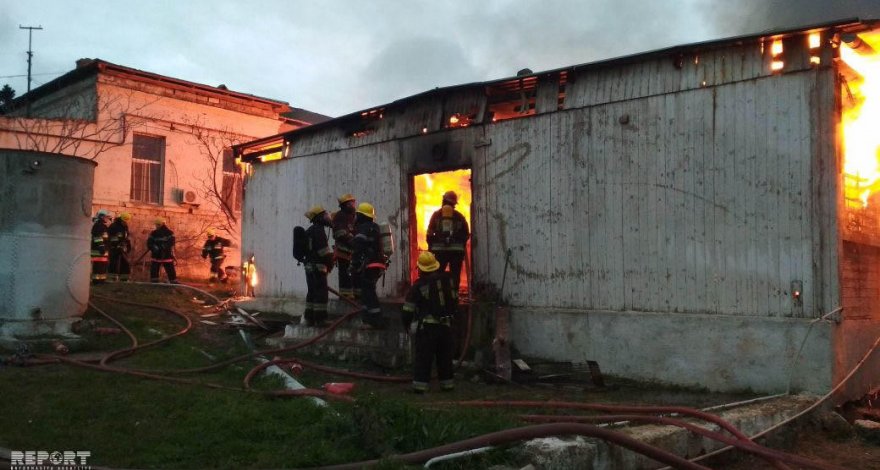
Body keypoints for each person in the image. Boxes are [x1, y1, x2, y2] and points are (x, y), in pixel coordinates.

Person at [402, 251, 459, 393]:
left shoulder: (419, 285)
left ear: (420, 269)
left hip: (427, 329)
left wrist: (406, 324)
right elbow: (454, 301)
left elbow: (408, 309)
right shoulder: (447, 280)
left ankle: (420, 388)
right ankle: (448, 386)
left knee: (423, 358)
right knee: (445, 358)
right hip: (446, 326)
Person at [350, 202, 387, 329]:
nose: (356, 217)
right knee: (366, 292)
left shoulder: (363, 228)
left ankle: (376, 321)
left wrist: (354, 264)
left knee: (368, 292)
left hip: (369, 265)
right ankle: (367, 319)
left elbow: (358, 246)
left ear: (362, 216)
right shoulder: (375, 227)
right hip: (377, 264)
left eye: (358, 214)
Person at [426, 191, 470, 290]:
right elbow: (466, 234)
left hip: (439, 252)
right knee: (455, 276)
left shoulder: (436, 215)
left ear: (443, 200)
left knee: (437, 274)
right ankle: (454, 296)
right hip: (456, 252)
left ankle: (438, 296)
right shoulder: (459, 216)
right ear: (454, 203)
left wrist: (431, 247)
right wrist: (460, 244)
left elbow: (429, 233)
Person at [303, 205, 334, 326]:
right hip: (318, 268)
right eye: (325, 215)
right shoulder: (319, 230)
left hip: (309, 268)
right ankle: (321, 320)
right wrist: (330, 262)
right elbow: (323, 251)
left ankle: (309, 318)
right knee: (321, 293)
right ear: (319, 217)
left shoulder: (309, 230)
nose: (328, 217)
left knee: (311, 293)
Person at [331, 193, 357, 299]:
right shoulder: (340, 216)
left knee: (352, 272)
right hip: (343, 250)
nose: (354, 205)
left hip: (351, 250)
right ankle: (344, 294)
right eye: (352, 203)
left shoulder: (352, 215)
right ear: (346, 204)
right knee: (344, 273)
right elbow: (339, 233)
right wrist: (351, 239)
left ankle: (351, 292)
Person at [147, 217, 177, 283]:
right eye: (156, 225)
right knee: (154, 269)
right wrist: (154, 248)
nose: (156, 226)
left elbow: (171, 242)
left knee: (170, 268)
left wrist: (163, 247)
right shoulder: (153, 233)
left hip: (166, 254)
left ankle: (174, 282)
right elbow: (149, 243)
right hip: (156, 254)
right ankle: (154, 282)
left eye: (158, 225)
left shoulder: (169, 233)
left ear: (163, 224)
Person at [107, 212, 132, 282]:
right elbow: (110, 237)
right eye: (125, 221)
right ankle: (112, 278)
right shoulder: (113, 226)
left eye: (127, 221)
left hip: (122, 247)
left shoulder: (125, 227)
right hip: (114, 247)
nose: (126, 222)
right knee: (113, 263)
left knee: (125, 263)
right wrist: (116, 244)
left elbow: (127, 237)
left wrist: (128, 245)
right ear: (121, 220)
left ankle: (124, 278)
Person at [90, 209, 111, 284]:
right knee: (98, 267)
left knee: (103, 267)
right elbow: (97, 237)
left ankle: (101, 280)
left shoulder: (103, 226)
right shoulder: (98, 226)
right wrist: (101, 246)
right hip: (98, 251)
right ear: (102, 217)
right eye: (106, 217)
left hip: (103, 250)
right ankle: (96, 281)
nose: (107, 219)